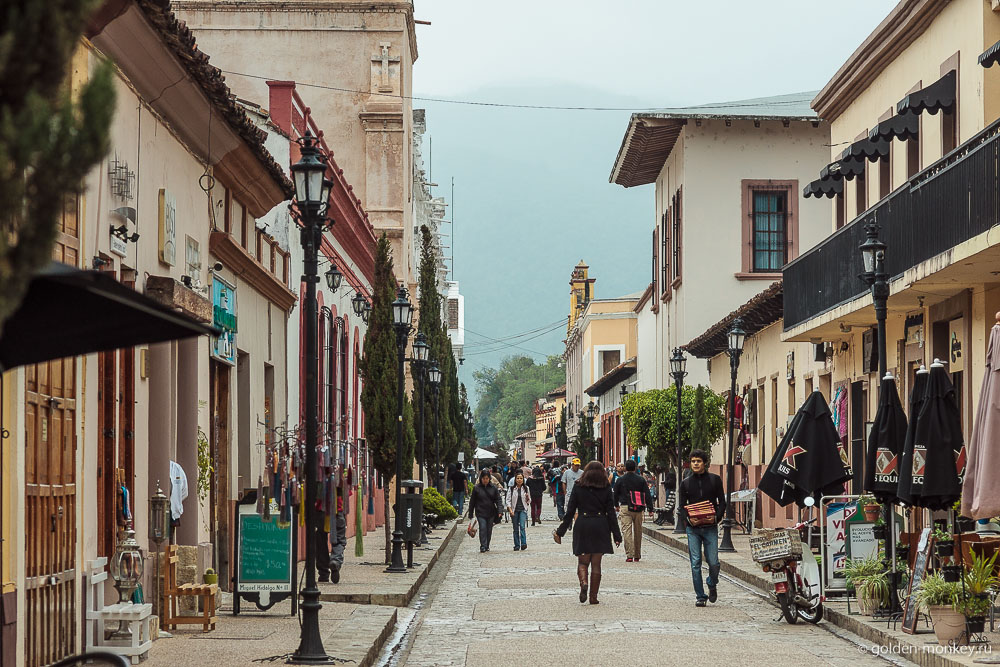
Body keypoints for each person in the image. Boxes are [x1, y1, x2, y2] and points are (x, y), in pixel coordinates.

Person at [552, 461, 622, 604]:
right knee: (596, 564)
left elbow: (570, 511)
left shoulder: (579, 486)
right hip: (601, 525)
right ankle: (593, 597)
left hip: (583, 524)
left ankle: (584, 582)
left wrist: (561, 531)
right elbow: (611, 513)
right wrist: (617, 535)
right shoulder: (606, 487)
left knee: (583, 562)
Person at [678, 449, 726, 607]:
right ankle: (700, 595)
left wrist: (717, 517)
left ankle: (712, 582)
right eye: (693, 461)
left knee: (714, 562)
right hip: (693, 529)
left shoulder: (715, 480)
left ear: (704, 463)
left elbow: (722, 502)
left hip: (710, 527)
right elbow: (682, 507)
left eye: (698, 461)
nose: (696, 464)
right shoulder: (685, 483)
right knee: (695, 562)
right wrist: (688, 520)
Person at [613, 459, 652, 562]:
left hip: (625, 506)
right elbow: (647, 494)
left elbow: (615, 493)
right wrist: (650, 508)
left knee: (627, 531)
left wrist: (616, 505)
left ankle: (629, 555)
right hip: (638, 507)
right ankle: (637, 554)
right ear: (635, 468)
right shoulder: (641, 480)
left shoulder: (620, 480)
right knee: (638, 531)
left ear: (625, 468)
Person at [467, 469, 504, 552]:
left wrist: (500, 511)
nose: (485, 480)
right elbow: (472, 501)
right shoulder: (476, 488)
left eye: (487, 478)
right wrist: (470, 513)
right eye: (484, 478)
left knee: (489, 529)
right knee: (483, 528)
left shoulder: (493, 488)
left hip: (491, 512)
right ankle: (483, 545)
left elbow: (498, 500)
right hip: (480, 512)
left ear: (489, 478)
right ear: (481, 478)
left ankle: (487, 545)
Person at [506, 472, 531, 550]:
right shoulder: (511, 489)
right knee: (515, 528)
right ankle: (517, 545)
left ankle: (523, 543)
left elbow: (529, 501)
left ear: (523, 479)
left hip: (523, 509)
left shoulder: (526, 488)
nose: (519, 480)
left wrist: (527, 498)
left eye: (521, 478)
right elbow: (508, 500)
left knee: (522, 526)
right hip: (514, 510)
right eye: (518, 478)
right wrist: (510, 510)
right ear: (515, 479)